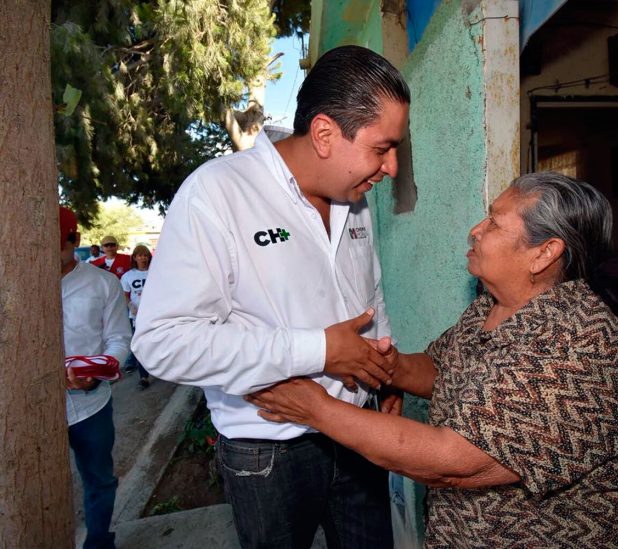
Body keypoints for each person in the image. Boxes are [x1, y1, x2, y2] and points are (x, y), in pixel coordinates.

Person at [249, 173, 618, 548]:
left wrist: (316, 408)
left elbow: (453, 461)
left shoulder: (581, 345)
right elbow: (443, 370)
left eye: (494, 222)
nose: (476, 230)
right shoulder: (491, 308)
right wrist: (385, 367)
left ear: (544, 253)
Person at [132, 45, 410, 548]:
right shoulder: (217, 194)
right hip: (269, 452)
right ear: (324, 133)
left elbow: (370, 295)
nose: (390, 167)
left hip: (361, 428)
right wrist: (318, 350)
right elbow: (160, 343)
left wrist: (384, 374)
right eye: (381, 148)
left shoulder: (356, 200)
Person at [59, 206, 132, 549]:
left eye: (55, 245)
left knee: (98, 479)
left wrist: (97, 373)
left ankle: (99, 541)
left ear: (74, 240)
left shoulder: (102, 284)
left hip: (90, 405)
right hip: (31, 407)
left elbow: (119, 339)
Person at [121, 245, 152, 388]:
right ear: (134, 257)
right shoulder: (128, 276)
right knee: (140, 346)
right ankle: (143, 376)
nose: (143, 258)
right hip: (137, 317)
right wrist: (131, 306)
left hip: (155, 315)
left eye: (145, 255)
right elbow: (125, 295)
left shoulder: (156, 272)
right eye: (139, 255)